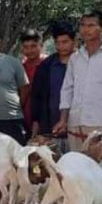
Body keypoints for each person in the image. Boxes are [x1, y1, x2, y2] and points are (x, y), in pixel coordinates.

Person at [54, 10, 102, 151]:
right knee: (77, 168)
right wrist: (63, 120)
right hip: (75, 124)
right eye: (83, 25)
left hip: (101, 123)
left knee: (100, 170)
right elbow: (67, 90)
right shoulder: (75, 57)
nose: (86, 29)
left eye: (91, 25)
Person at [30, 22, 75, 152]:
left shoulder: (83, 62)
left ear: (74, 41)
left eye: (65, 42)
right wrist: (36, 123)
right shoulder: (46, 66)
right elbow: (37, 97)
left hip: (78, 128)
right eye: (57, 42)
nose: (61, 46)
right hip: (51, 128)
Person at [20, 29, 45, 133]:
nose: (29, 50)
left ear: (41, 45)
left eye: (33, 46)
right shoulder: (21, 67)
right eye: (26, 47)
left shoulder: (48, 64)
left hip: (44, 115)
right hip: (26, 115)